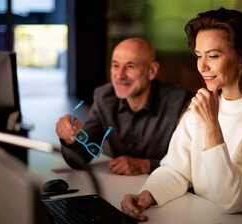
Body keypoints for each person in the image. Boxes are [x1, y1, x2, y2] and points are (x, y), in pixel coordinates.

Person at [120, 8, 242, 224]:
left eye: (213, 56)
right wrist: (145, 196)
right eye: (198, 56)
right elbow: (175, 170)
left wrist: (212, 125)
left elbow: (234, 201)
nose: (202, 66)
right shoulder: (203, 106)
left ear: (241, 58)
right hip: (205, 216)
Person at [55, 37, 192, 175]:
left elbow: (193, 162)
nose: (120, 75)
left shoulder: (181, 102)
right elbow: (79, 159)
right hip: (123, 191)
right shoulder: (104, 98)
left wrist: (146, 166)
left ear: (152, 70)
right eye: (115, 65)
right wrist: (70, 138)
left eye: (130, 66)